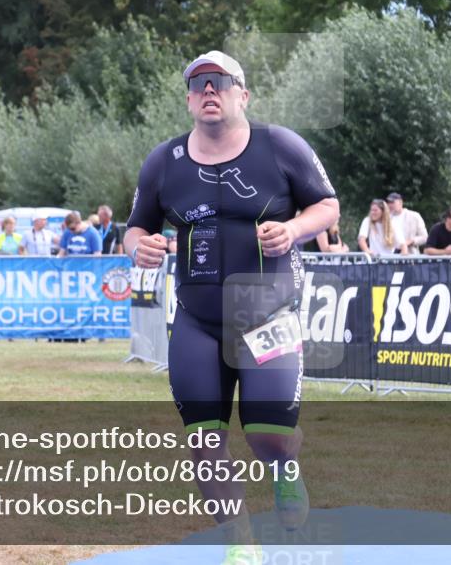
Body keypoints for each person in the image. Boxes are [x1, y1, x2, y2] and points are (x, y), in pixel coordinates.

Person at [124, 50, 338, 563]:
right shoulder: (164, 161)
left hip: (268, 316)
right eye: (199, 85)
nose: (209, 91)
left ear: (244, 94)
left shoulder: (280, 146)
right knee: (204, 441)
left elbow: (327, 205)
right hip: (197, 322)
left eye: (221, 82)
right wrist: (139, 247)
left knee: (267, 435)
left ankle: (286, 467)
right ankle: (240, 544)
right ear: (189, 100)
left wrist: (293, 230)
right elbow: (135, 227)